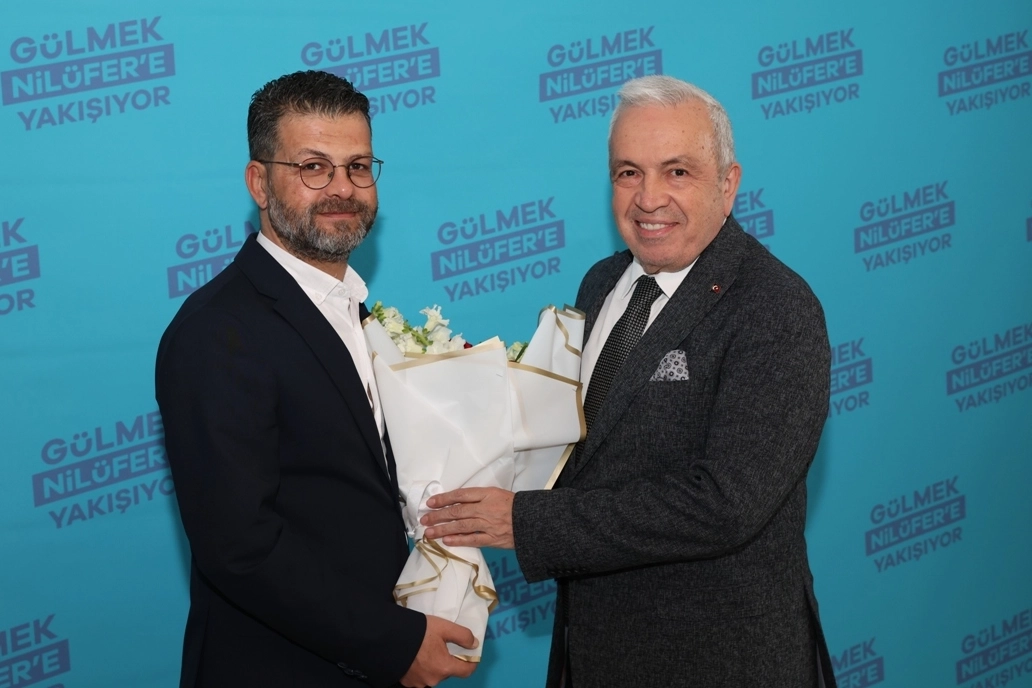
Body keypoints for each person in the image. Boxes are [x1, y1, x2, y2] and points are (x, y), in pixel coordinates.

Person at [422, 74, 837, 687]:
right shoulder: (600, 283)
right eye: (628, 172)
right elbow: (581, 453)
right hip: (592, 649)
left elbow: (724, 505)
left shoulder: (775, 308)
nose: (649, 198)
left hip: (717, 663)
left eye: (678, 172)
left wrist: (529, 523)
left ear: (728, 185)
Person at [155, 70, 476, 688]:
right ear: (258, 182)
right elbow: (239, 547)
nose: (342, 188)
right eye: (313, 167)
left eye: (358, 167)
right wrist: (394, 645)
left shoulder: (356, 313)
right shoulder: (217, 331)